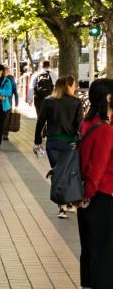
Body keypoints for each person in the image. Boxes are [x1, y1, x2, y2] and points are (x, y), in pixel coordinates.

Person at [79, 78, 113, 289]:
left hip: (87, 194)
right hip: (101, 196)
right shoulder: (105, 130)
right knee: (103, 252)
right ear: (109, 98)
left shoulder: (87, 122)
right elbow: (97, 167)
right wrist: (88, 195)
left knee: (89, 249)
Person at [36, 75, 83, 217]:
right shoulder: (76, 102)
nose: (75, 88)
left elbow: (40, 122)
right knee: (69, 172)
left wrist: (37, 141)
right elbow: (79, 124)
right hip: (70, 144)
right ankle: (69, 201)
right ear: (68, 86)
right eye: (73, 85)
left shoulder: (48, 101)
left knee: (57, 173)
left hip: (53, 143)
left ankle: (62, 206)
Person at [0, 64, 16, 150]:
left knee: (1, 125)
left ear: (1, 71)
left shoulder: (7, 81)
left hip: (3, 107)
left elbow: (8, 92)